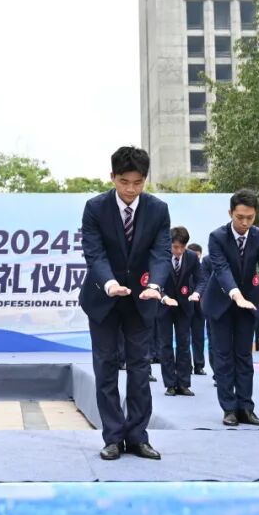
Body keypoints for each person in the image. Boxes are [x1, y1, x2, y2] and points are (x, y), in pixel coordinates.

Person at [78, 146, 171, 461]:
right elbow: (94, 253)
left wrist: (155, 285)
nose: (131, 189)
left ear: (145, 179)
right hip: (103, 298)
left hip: (142, 299)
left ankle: (138, 437)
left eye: (138, 182)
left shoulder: (158, 210)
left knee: (140, 368)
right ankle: (113, 437)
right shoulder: (95, 208)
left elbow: (161, 252)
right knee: (105, 367)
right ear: (112, 177)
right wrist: (110, 284)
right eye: (124, 182)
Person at [201, 189, 259, 427]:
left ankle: (246, 407)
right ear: (230, 213)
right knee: (223, 356)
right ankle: (229, 408)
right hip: (221, 302)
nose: (245, 223)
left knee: (244, 356)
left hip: (249, 304)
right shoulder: (217, 237)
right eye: (240, 217)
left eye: (250, 218)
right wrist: (236, 295)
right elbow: (221, 270)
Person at [158, 227, 200, 396]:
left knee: (184, 343)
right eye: (175, 247)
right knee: (165, 344)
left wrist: (197, 293)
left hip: (184, 305)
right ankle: (170, 384)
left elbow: (201, 279)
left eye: (182, 247)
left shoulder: (191, 257)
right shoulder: (160, 256)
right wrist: (163, 297)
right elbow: (153, 280)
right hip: (164, 306)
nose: (179, 251)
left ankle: (183, 383)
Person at [186, 243, 209, 376]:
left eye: (197, 255)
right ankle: (186, 365)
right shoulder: (183, 267)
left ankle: (199, 365)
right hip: (185, 306)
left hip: (199, 307)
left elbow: (205, 284)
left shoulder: (203, 269)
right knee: (184, 338)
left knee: (198, 337)